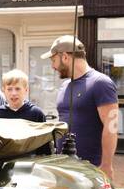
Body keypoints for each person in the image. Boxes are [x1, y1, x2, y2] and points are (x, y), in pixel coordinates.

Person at [43, 35, 119, 178]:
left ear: (65, 57)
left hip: (91, 170)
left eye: (53, 60)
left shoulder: (101, 83)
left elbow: (111, 128)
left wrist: (107, 165)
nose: (53, 66)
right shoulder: (65, 86)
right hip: (64, 168)